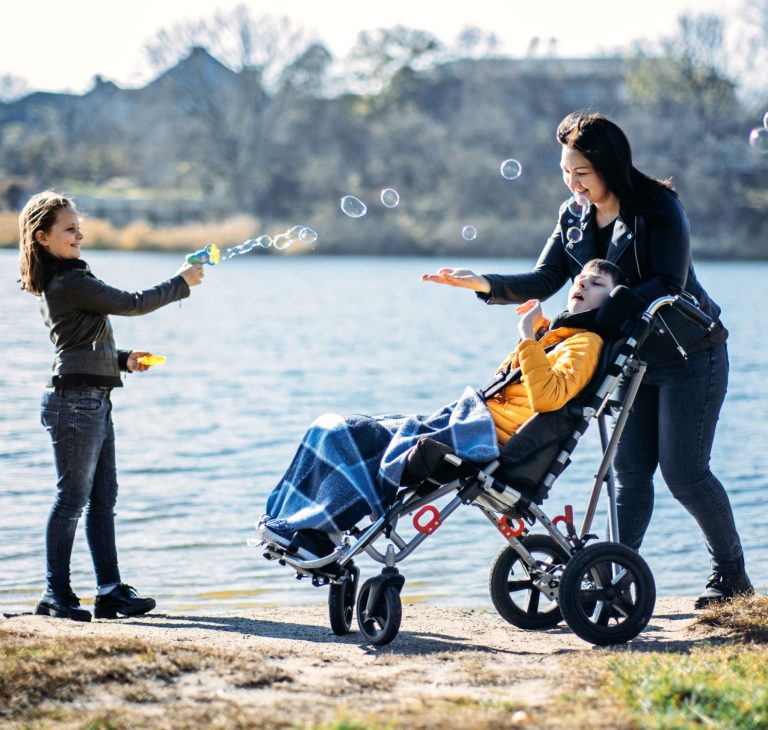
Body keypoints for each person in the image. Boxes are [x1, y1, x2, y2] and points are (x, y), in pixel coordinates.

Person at [422, 111, 751, 609]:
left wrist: (592, 323)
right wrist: (484, 283)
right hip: (627, 360)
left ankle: (732, 579)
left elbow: (668, 285)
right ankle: (617, 580)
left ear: (610, 167)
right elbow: (546, 278)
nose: (572, 184)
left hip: (689, 353)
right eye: (564, 173)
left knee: (684, 472)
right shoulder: (573, 216)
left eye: (582, 174)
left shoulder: (658, 208)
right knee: (629, 473)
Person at [258, 259, 623, 560]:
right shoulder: (555, 338)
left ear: (609, 302)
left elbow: (546, 398)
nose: (583, 283)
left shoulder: (586, 344)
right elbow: (504, 383)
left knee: (359, 437)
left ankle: (317, 530)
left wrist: (528, 338)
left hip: (485, 436)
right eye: (581, 278)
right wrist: (533, 337)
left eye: (596, 283)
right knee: (336, 428)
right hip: (468, 418)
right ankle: (295, 524)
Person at [18, 190, 205, 622]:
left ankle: (110, 592)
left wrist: (122, 360)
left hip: (93, 399)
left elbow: (79, 342)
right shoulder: (70, 282)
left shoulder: (70, 280)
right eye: (69, 228)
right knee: (71, 500)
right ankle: (55, 595)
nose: (79, 232)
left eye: (77, 225)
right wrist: (181, 283)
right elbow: (132, 303)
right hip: (74, 404)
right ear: (43, 238)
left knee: (103, 499)